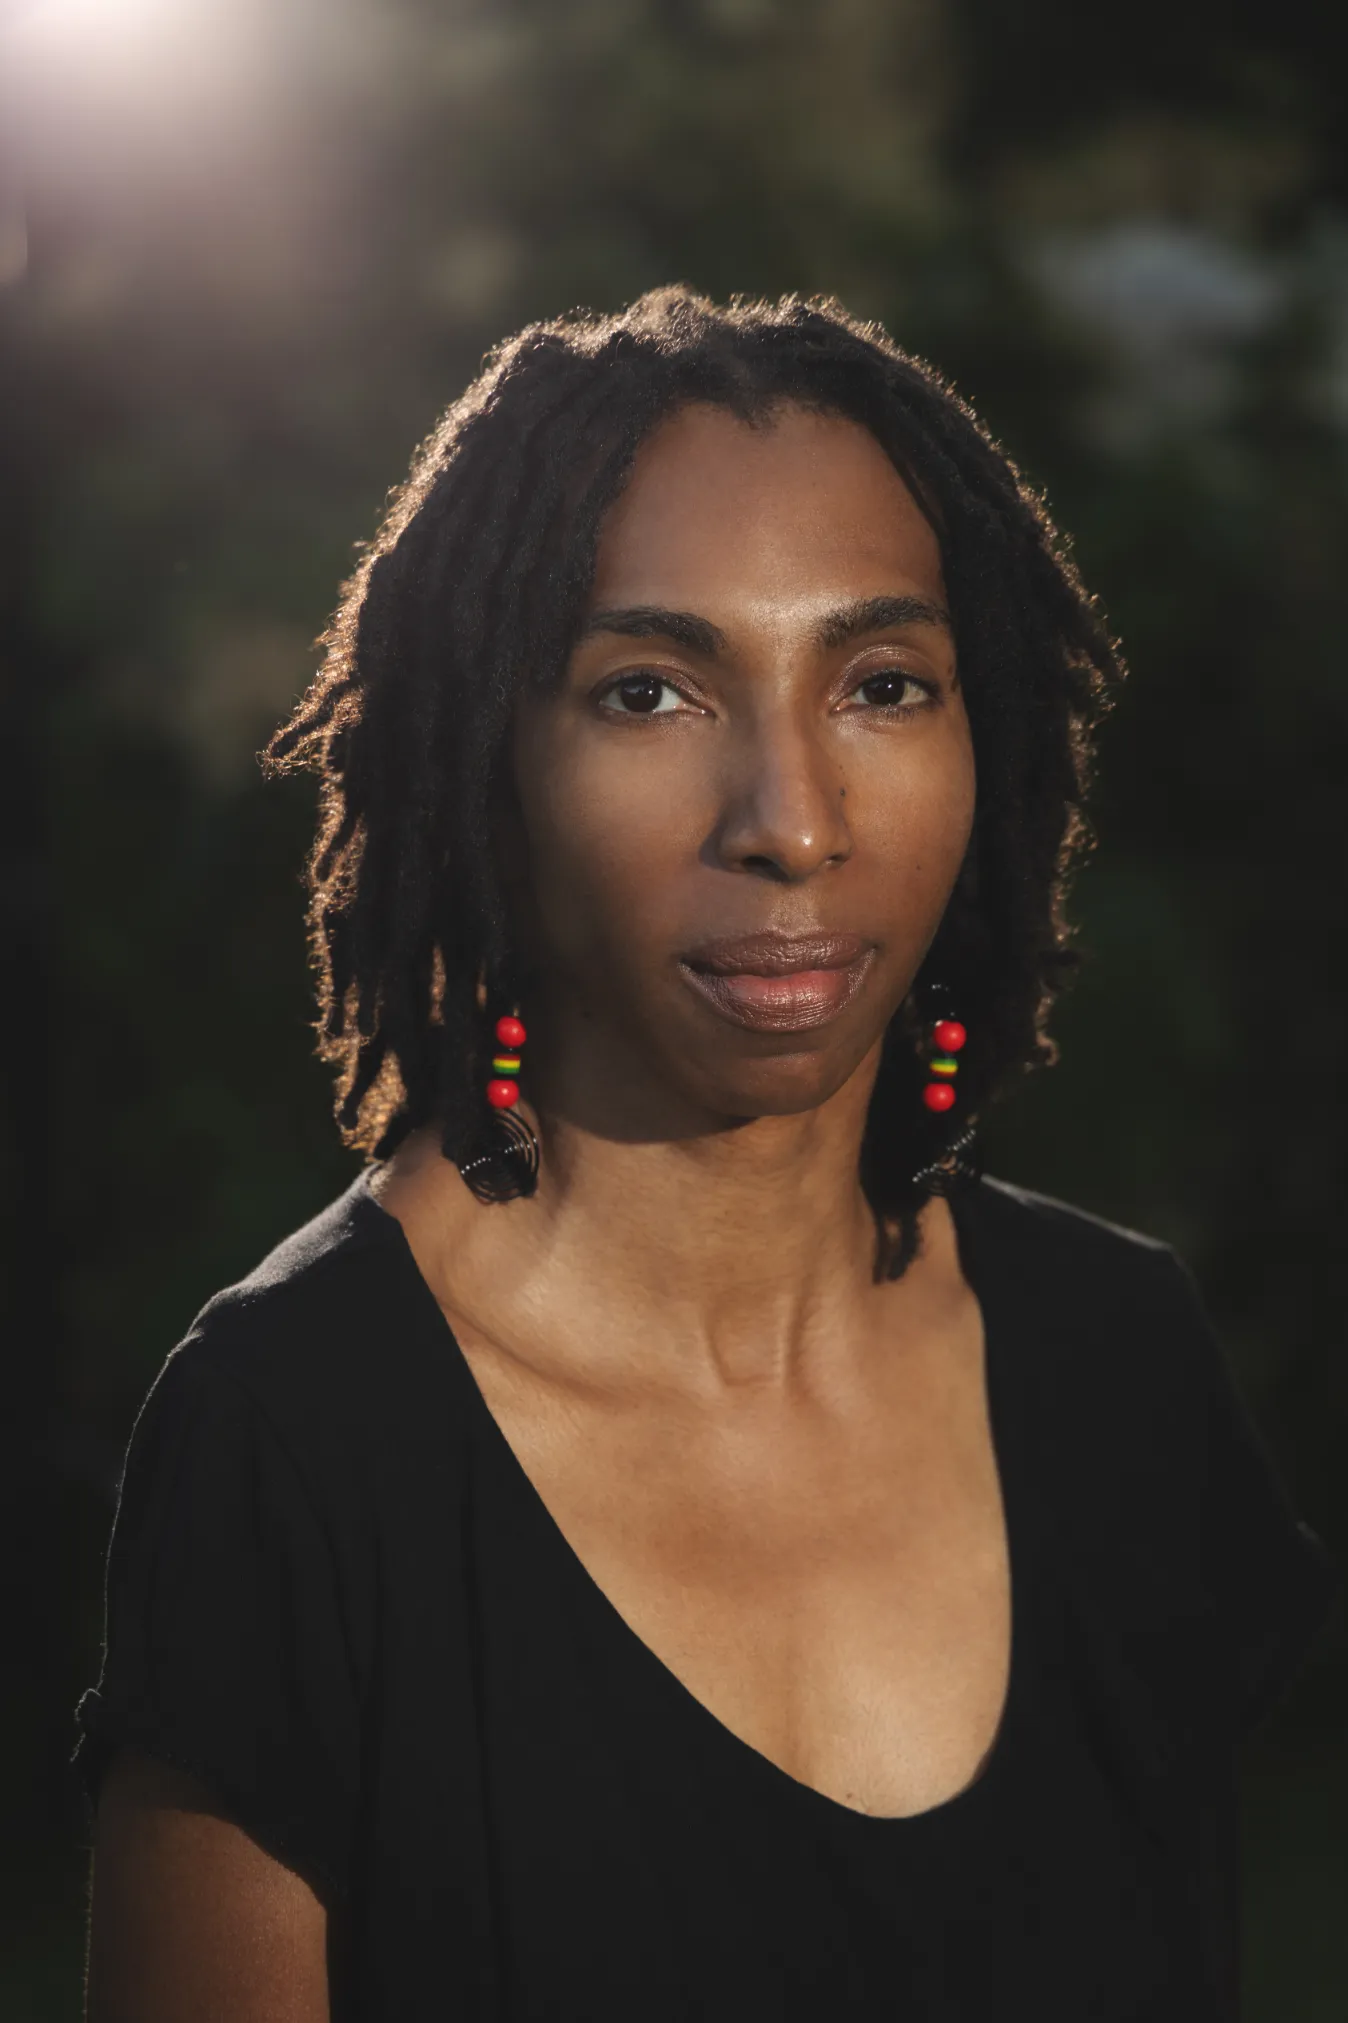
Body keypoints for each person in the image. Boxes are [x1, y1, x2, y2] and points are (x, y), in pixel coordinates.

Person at [75, 287, 1336, 2022]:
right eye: (650, 691)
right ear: (485, 762)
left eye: (884, 683)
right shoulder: (299, 1438)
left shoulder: (1121, 1366)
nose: (792, 819)